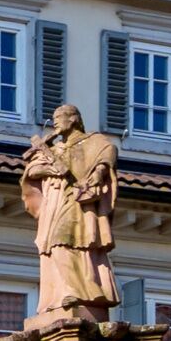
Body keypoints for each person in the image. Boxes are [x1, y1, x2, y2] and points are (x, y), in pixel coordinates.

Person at [21, 103, 120, 324]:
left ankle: (81, 291)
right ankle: (61, 295)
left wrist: (99, 172)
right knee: (52, 245)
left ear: (73, 119)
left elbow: (108, 153)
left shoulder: (93, 141)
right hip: (54, 201)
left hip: (78, 200)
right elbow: (32, 169)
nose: (55, 122)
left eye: (59, 117)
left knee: (64, 241)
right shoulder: (53, 148)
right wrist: (48, 168)